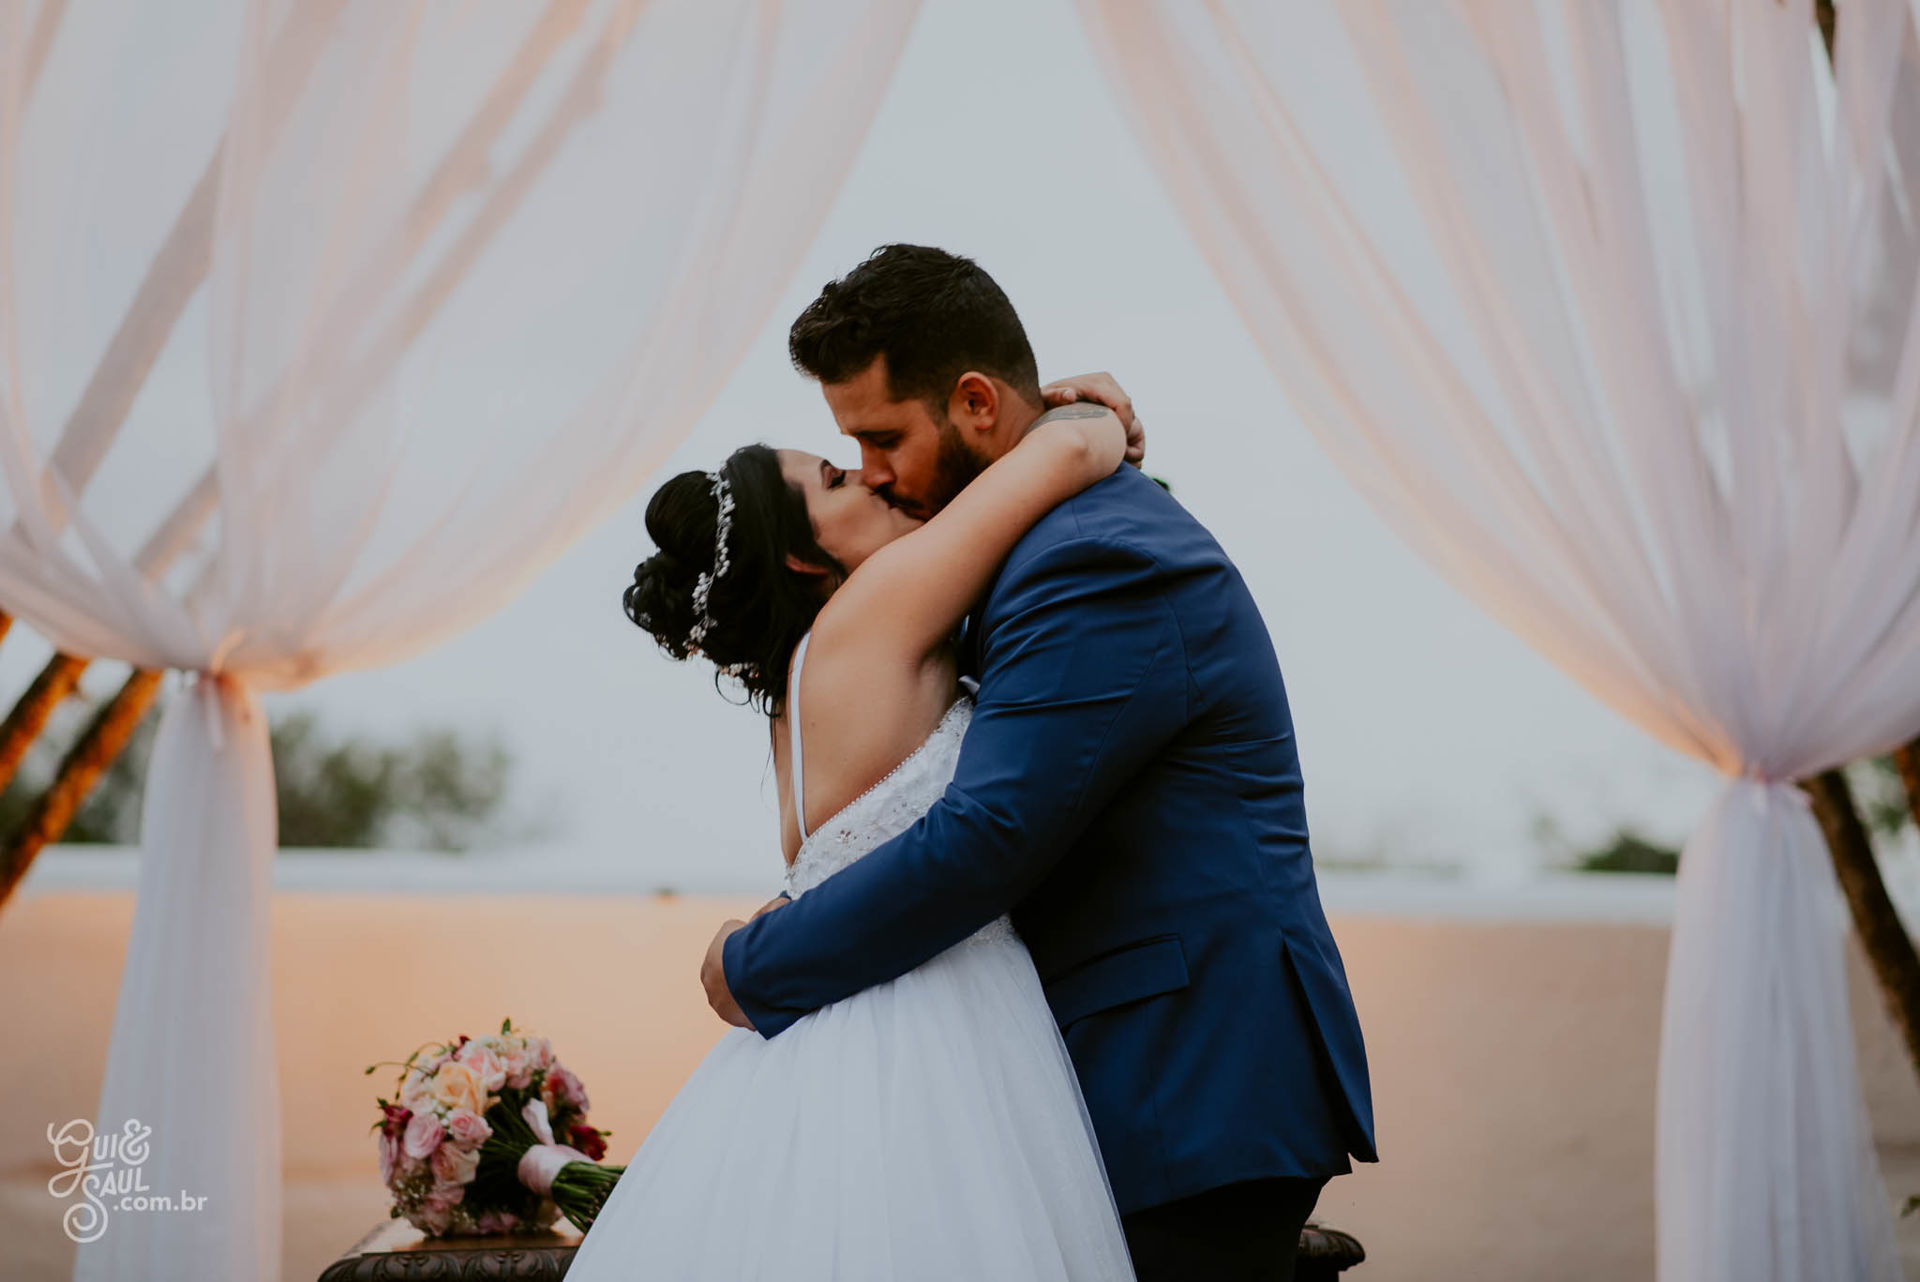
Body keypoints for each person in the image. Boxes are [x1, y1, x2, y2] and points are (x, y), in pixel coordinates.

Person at [704, 245, 1377, 1282]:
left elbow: (990, 834)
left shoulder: (1089, 556)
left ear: (975, 401)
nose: (874, 472)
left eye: (882, 438)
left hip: (1182, 1079)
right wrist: (1087, 426)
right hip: (1111, 1082)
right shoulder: (1036, 538)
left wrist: (756, 965)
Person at [568, 378, 1142, 1277]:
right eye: (838, 479)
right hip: (936, 1041)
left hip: (824, 1045)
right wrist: (1097, 407)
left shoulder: (799, 688)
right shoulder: (876, 609)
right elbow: (1068, 455)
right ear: (804, 559)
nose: (873, 483)